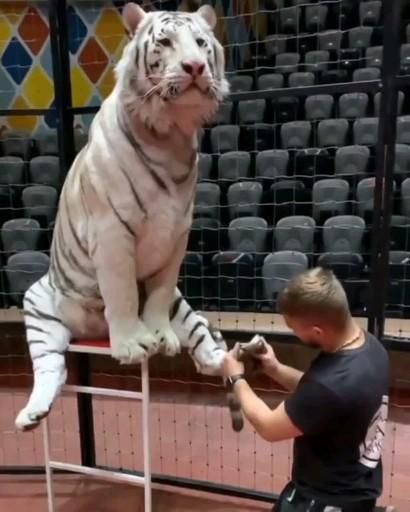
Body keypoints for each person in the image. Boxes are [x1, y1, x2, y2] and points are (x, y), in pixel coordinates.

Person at [222, 267, 390, 512]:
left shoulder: (328, 386)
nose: (294, 333)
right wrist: (275, 368)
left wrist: (235, 377)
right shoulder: (371, 347)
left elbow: (269, 426)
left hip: (325, 498)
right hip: (358, 486)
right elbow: (321, 395)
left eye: (294, 328)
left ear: (317, 331)